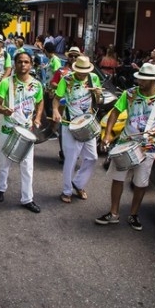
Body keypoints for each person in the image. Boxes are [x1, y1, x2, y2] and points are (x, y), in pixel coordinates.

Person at [96, 63, 155, 231]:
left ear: (153, 81)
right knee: (117, 179)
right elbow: (115, 112)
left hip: (147, 146)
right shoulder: (130, 94)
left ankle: (133, 214)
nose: (140, 81)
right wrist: (107, 134)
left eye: (144, 79)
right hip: (125, 143)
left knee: (141, 183)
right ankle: (113, 213)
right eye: (139, 78)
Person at [0, 50, 44, 213]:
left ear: (31, 64)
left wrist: (38, 117)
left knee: (27, 166)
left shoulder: (37, 85)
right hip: (9, 128)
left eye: (26, 62)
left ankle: (27, 199)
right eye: (20, 62)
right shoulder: (6, 83)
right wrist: (3, 110)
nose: (23, 65)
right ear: (15, 64)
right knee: (4, 162)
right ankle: (0, 189)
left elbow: (40, 102)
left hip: (26, 130)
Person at [52, 55, 103, 203]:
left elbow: (99, 100)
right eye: (80, 71)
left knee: (92, 157)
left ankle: (79, 183)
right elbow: (56, 99)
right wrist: (55, 111)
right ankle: (66, 191)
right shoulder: (67, 79)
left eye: (85, 71)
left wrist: (98, 95)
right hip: (70, 124)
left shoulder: (93, 78)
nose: (82, 73)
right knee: (71, 158)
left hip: (87, 123)